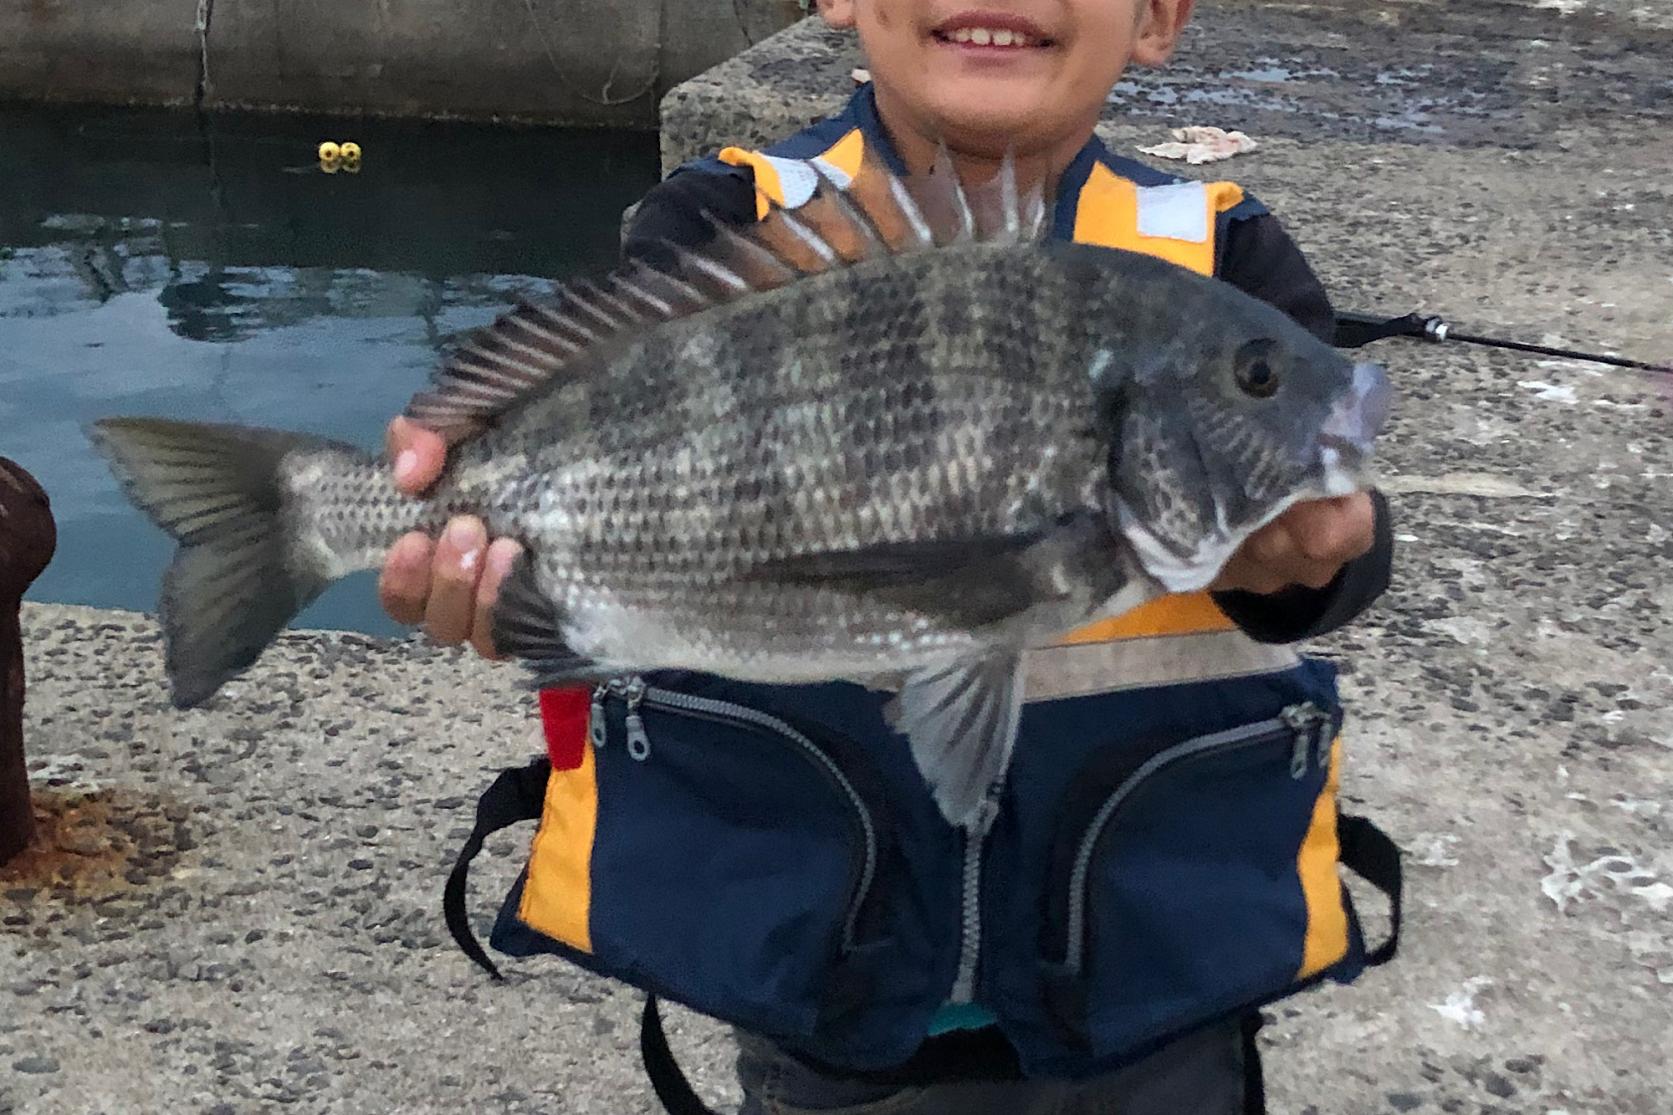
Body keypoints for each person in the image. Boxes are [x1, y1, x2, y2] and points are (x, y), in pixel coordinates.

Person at [384, 2, 1401, 1112]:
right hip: (830, 979)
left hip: (1148, 987)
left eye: (1250, 379)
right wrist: (487, 560)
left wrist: (1319, 558)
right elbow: (603, 441)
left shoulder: (1225, 256)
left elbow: (1334, 551)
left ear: (1155, 18)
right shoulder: (724, 224)